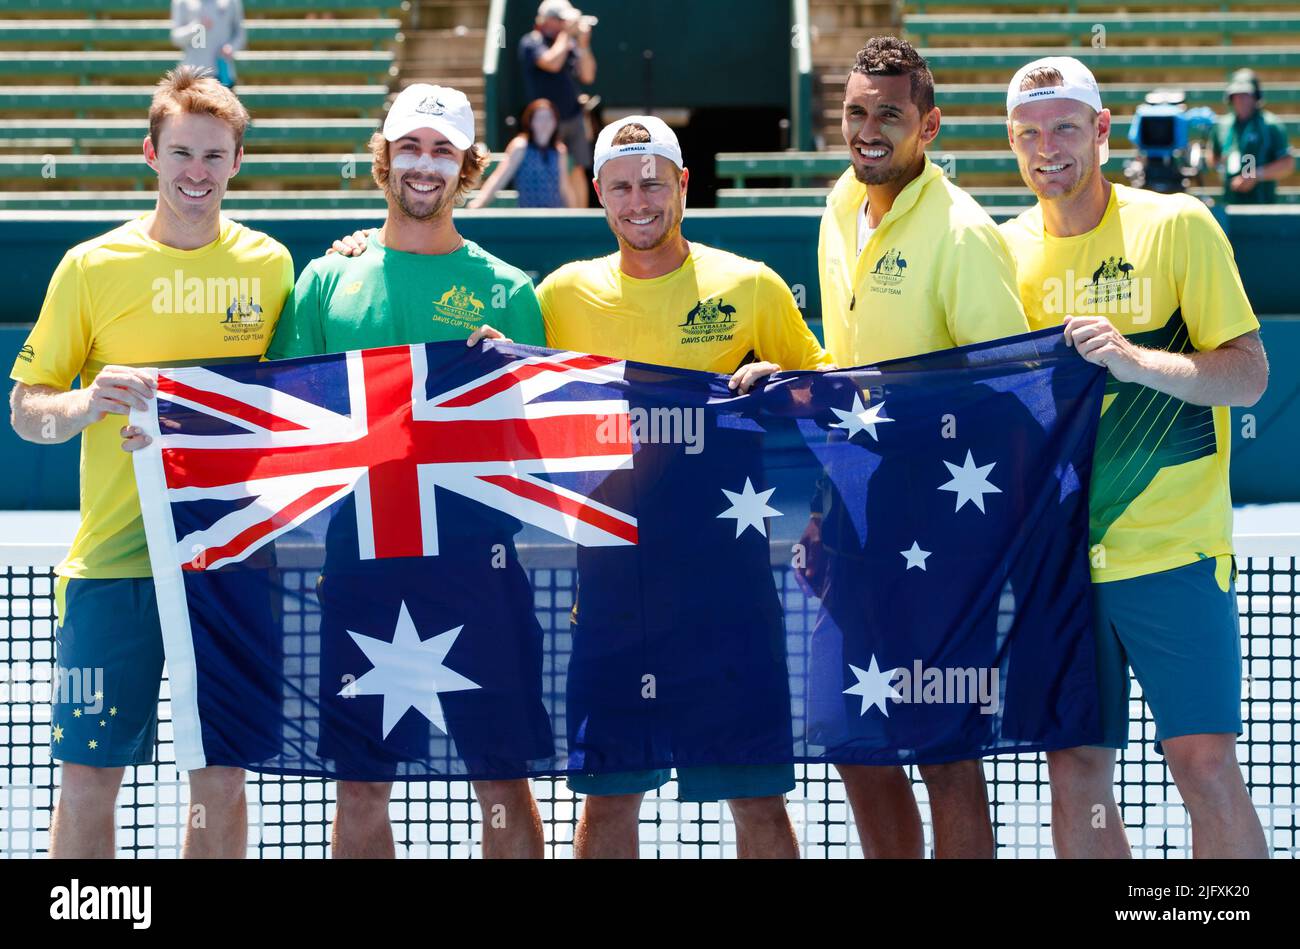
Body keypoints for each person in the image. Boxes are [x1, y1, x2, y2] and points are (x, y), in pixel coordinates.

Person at [465, 116, 833, 859]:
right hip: (611, 593)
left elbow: (828, 396)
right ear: (598, 193)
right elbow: (504, 374)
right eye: (623, 186)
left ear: (683, 185)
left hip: (728, 592)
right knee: (608, 802)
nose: (640, 200)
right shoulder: (561, 296)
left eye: (654, 182)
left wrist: (784, 380)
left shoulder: (751, 286)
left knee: (757, 801)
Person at [8, 67, 293, 858]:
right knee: (89, 776)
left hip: (229, 565)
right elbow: (28, 410)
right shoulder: (91, 266)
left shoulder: (271, 267)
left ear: (237, 162)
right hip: (112, 568)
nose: (196, 173)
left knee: (221, 778)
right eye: (181, 154)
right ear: (151, 154)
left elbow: (297, 400)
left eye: (213, 156)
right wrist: (85, 401)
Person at [265, 84, 554, 860]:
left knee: (501, 779)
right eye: (410, 148)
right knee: (362, 783)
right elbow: (286, 422)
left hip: (477, 566)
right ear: (384, 158)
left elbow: (536, 450)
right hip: (360, 563)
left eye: (442, 151)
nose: (424, 166)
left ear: (467, 166)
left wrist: (507, 380)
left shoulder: (510, 291)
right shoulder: (325, 282)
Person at [1000, 56, 1270, 858]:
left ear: (1104, 131)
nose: (1048, 148)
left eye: (1066, 129)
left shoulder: (1178, 224)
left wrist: (1135, 359)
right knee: (1075, 767)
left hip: (1173, 552)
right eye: (1029, 134)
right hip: (1058, 565)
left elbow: (1250, 375)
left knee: (1205, 762)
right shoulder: (996, 250)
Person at [806, 36, 1032, 859]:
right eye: (856, 113)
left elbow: (1015, 392)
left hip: (945, 533)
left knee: (946, 751)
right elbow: (846, 374)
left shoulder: (965, 234)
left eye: (889, 116)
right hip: (857, 524)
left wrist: (980, 543)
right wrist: (829, 505)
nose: (869, 130)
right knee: (848, 735)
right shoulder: (838, 204)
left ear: (928, 125)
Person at [518, 0, 597, 207]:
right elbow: (551, 63)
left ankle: (580, 219)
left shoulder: (568, 45)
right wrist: (566, 35)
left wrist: (583, 45)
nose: (565, 25)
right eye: (561, 20)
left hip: (574, 116)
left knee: (579, 167)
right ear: (547, 20)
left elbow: (587, 76)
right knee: (554, 167)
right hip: (546, 121)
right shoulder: (531, 42)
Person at [1209, 69, 1294, 205]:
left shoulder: (1271, 125)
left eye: (1245, 95)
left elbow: (1287, 164)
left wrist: (1256, 175)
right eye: (1236, 95)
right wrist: (1222, 167)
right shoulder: (1222, 125)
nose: (1240, 100)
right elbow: (1213, 156)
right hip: (1230, 203)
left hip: (1263, 204)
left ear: (1256, 97)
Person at [469, 99, 575, 208]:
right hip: (529, 218)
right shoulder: (520, 146)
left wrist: (575, 216)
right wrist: (478, 203)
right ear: (531, 122)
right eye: (540, 118)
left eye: (549, 118)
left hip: (555, 218)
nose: (545, 123)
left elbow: (564, 187)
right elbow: (499, 178)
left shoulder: (560, 151)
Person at [171, 0, 246, 89]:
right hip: (193, 75)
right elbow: (176, 37)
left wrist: (231, 47)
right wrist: (197, 27)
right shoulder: (182, 2)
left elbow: (240, 35)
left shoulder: (232, 2)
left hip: (223, 74)